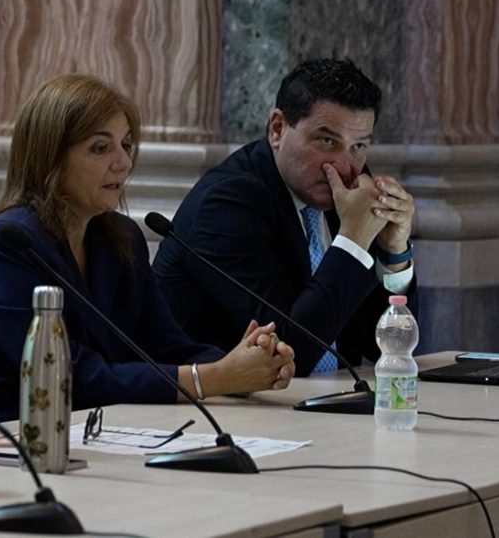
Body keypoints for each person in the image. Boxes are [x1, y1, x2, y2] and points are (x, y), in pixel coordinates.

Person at [0, 74, 294, 421]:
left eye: (126, 145)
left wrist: (250, 363)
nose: (123, 163)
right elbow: (68, 376)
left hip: (93, 430)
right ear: (50, 157)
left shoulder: (121, 239)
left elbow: (165, 347)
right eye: (100, 148)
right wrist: (213, 378)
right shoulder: (6, 245)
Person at [153, 58, 417, 376]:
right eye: (327, 141)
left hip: (325, 395)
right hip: (218, 401)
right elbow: (288, 354)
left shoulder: (346, 189)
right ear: (277, 129)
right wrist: (354, 240)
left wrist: (394, 254)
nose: (345, 166)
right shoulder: (226, 204)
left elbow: (389, 347)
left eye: (358, 146)